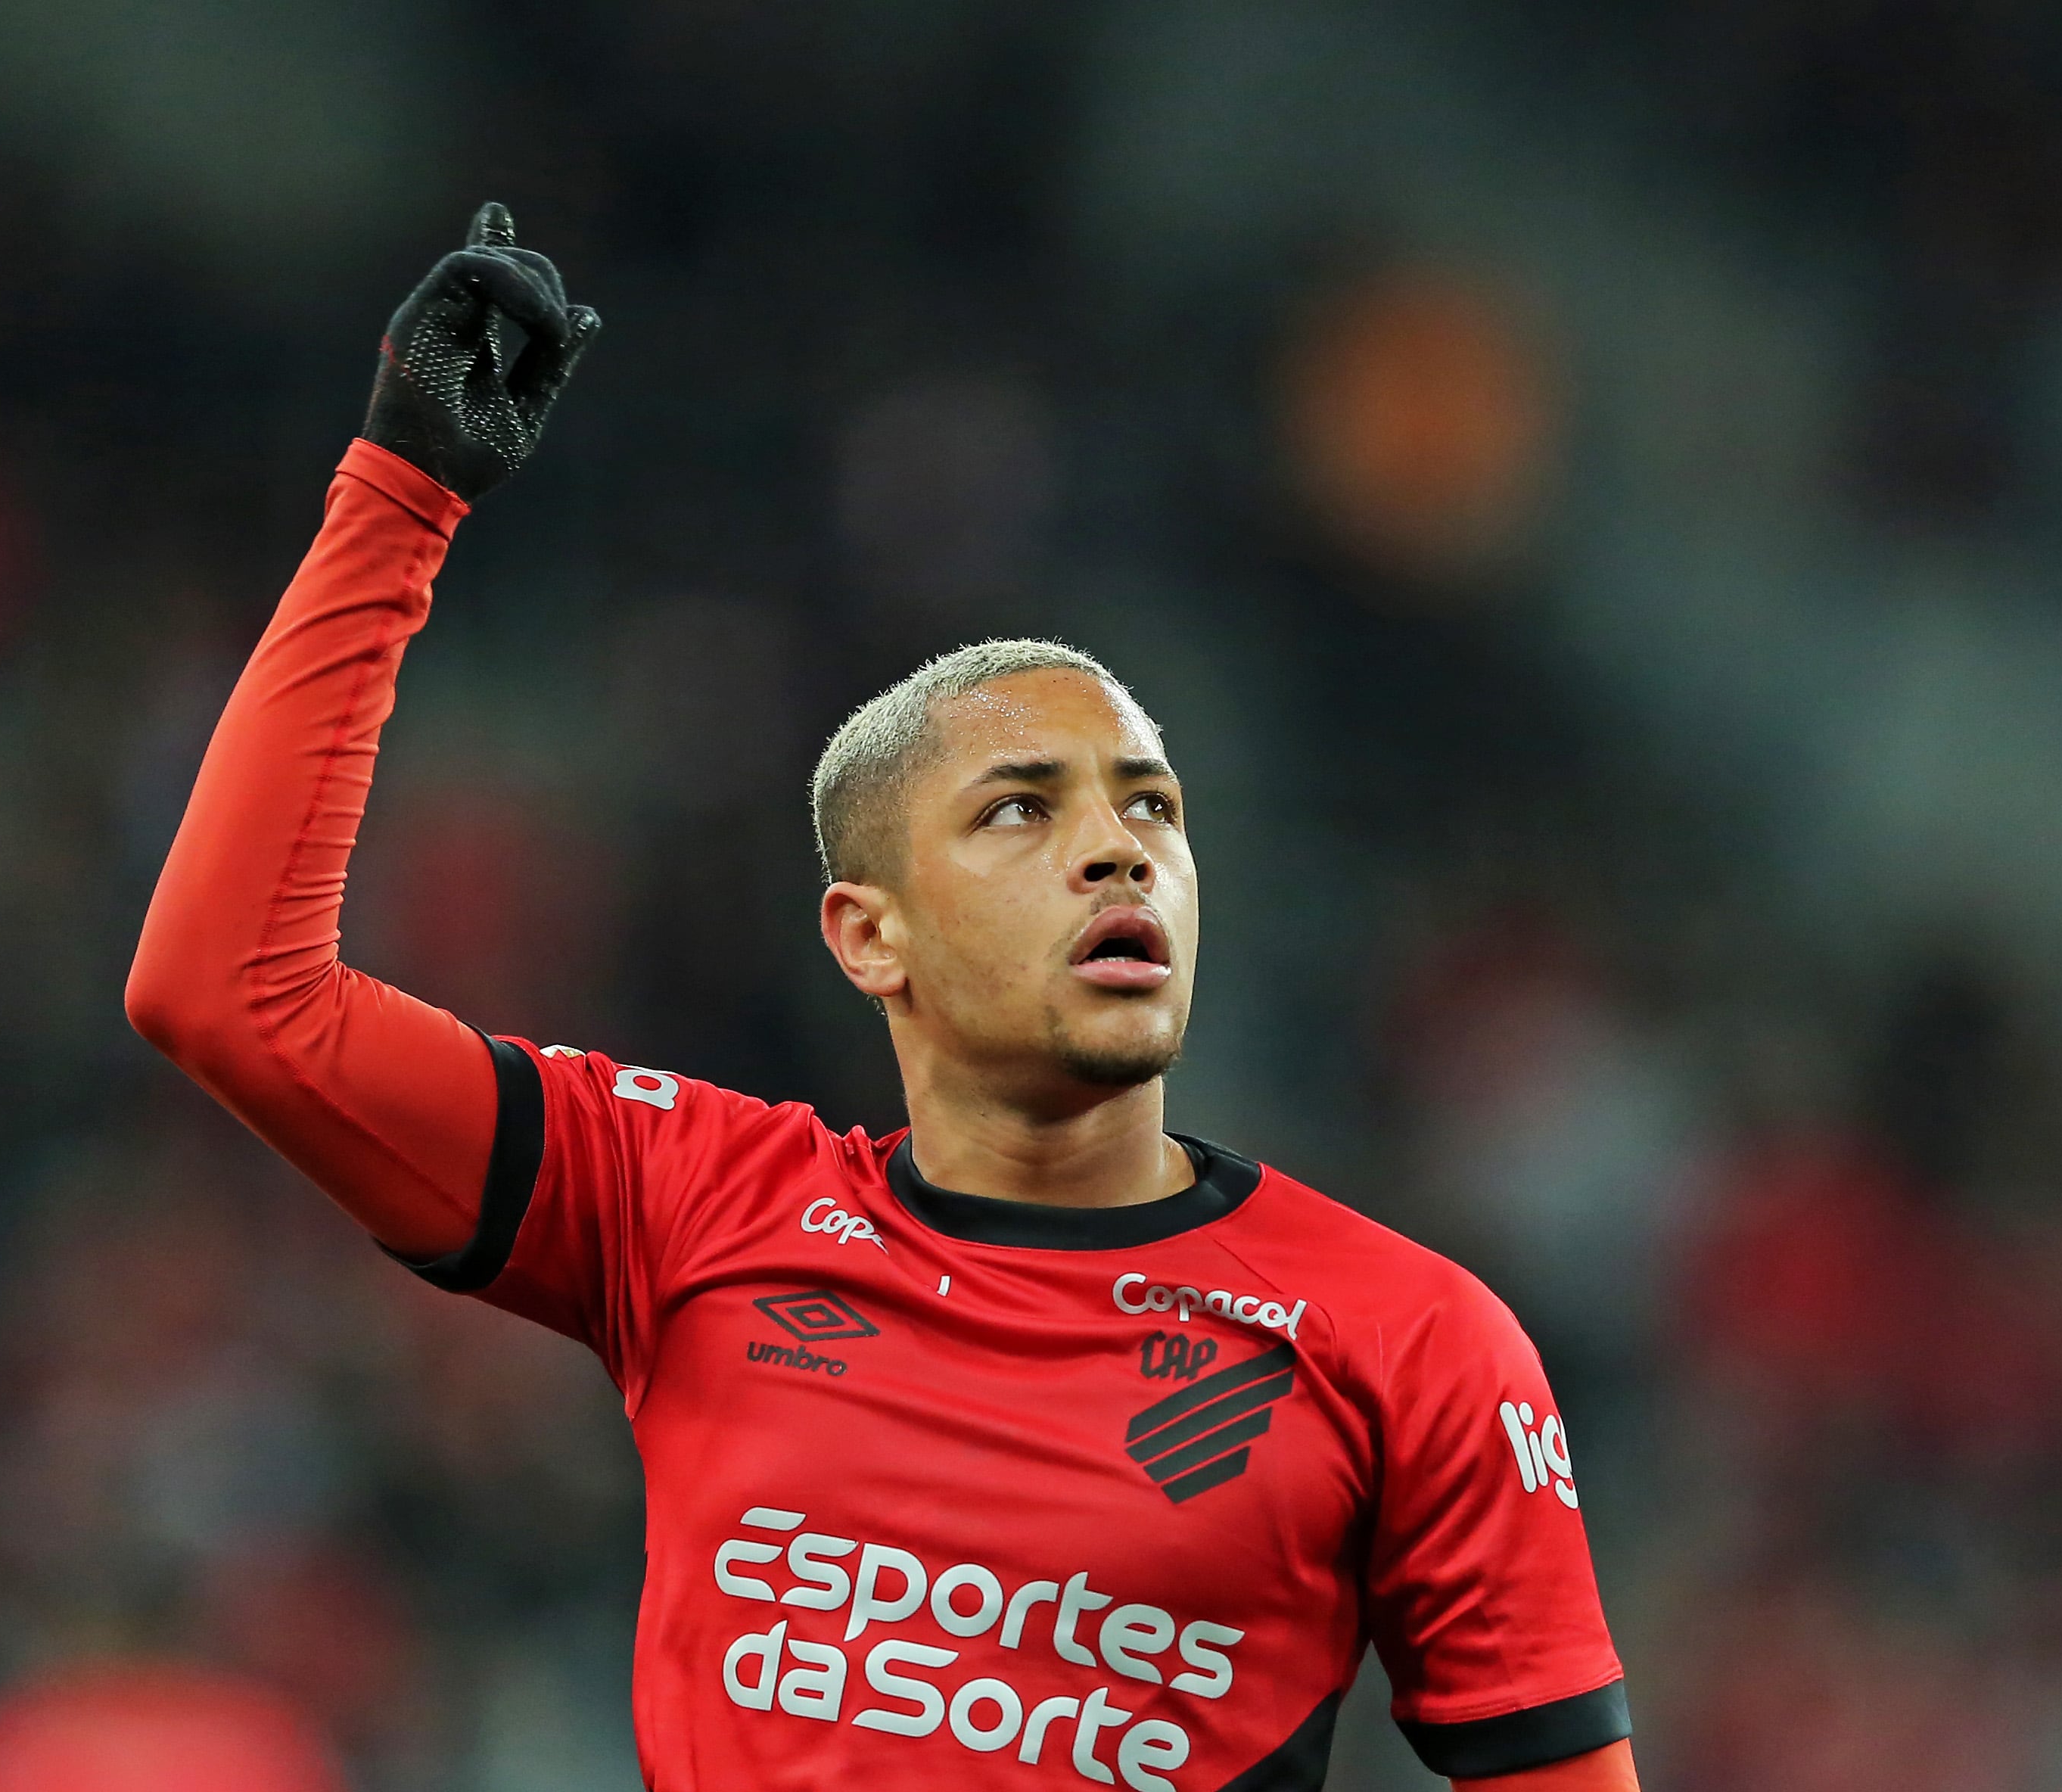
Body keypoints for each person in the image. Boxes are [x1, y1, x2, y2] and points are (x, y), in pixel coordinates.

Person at [126, 205, 1633, 1792]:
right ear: (868, 934)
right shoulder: (686, 1204)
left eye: (1153, 809)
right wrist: (397, 502)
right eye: (1021, 808)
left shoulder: (1411, 1338)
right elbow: (230, 994)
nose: (1118, 851)